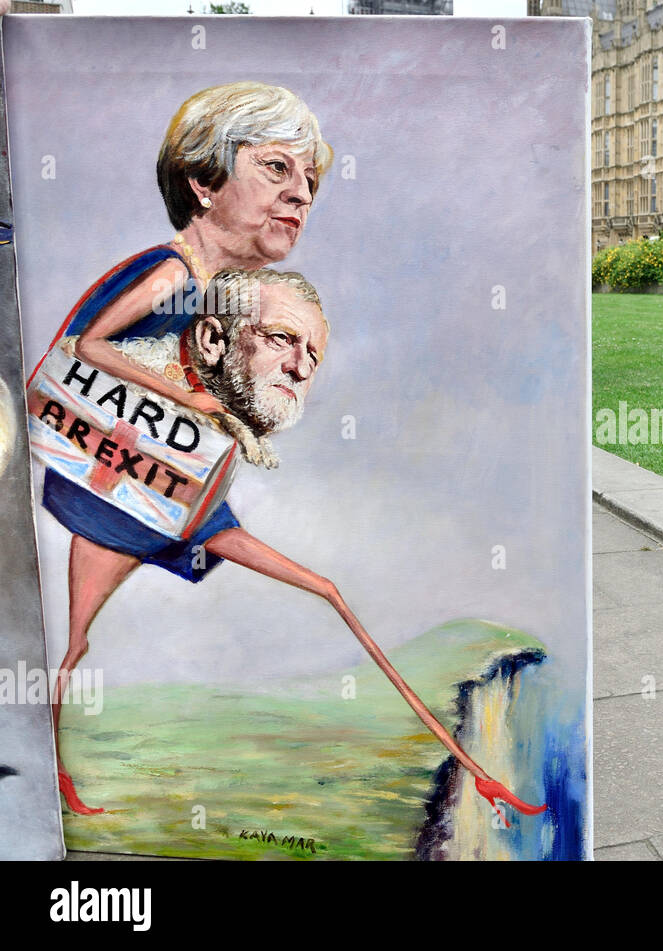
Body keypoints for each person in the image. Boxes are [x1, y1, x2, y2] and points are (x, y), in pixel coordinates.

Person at [37, 82, 543, 825]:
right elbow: (86, 345)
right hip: (118, 489)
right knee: (71, 635)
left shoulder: (230, 291)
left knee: (326, 588)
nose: (300, 195)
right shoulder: (177, 272)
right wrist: (199, 402)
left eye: (309, 182)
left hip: (179, 495)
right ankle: (55, 785)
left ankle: (477, 773)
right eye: (277, 169)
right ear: (204, 182)